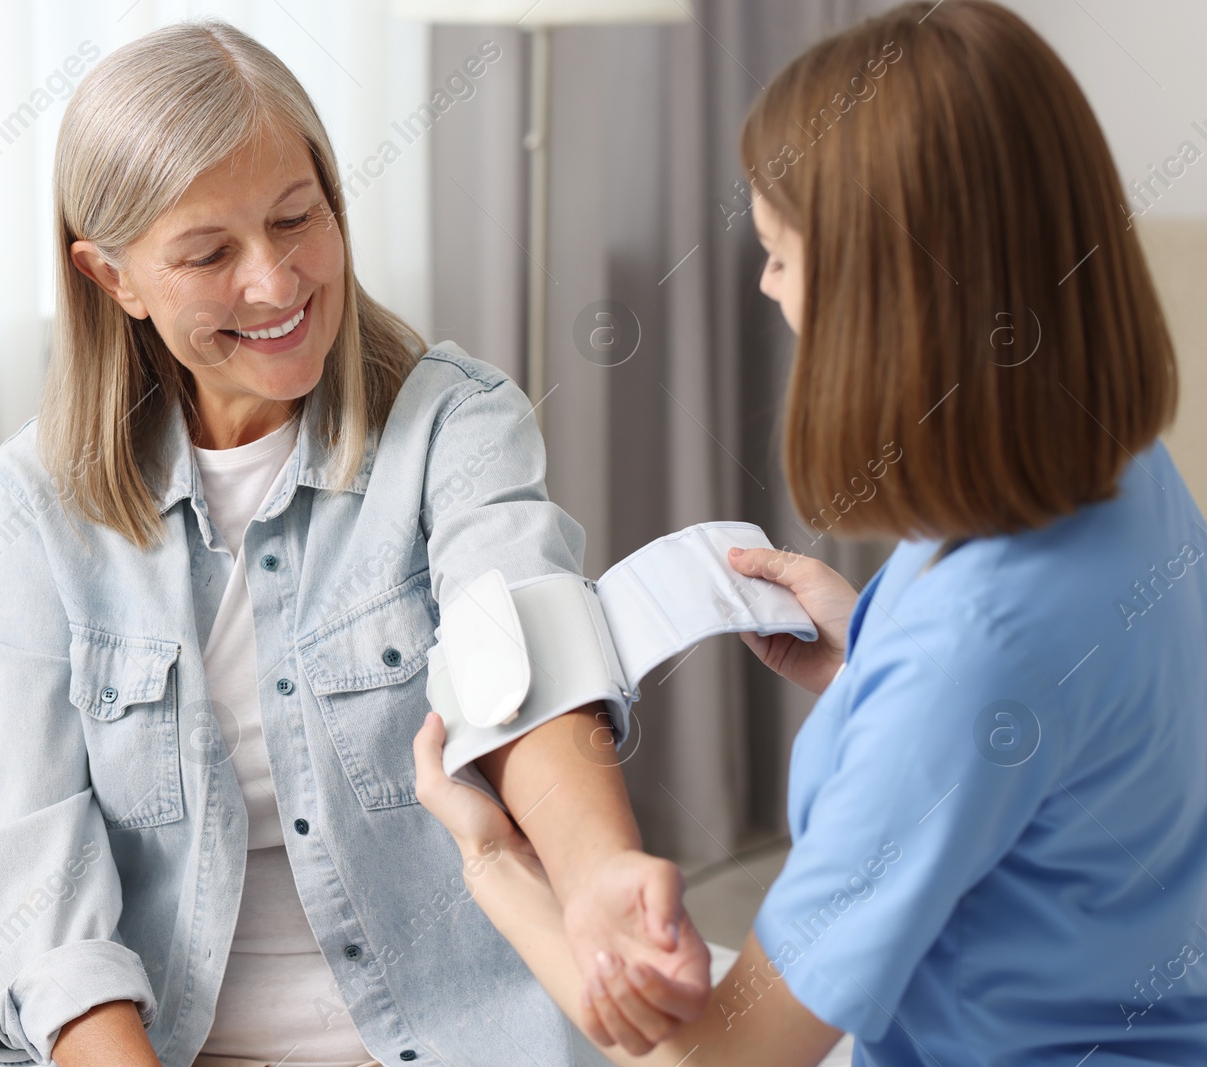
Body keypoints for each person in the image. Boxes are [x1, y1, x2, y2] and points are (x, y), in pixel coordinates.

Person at [412, 2, 1207, 1063]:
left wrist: (494, 864)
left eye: (780, 254)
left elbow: (720, 1058)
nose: (764, 284)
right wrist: (870, 659)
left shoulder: (967, 657)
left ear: (888, 302)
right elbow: (1063, 746)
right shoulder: (1110, 462)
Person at [0, 20, 708, 1067]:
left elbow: (522, 655)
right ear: (112, 277)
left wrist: (601, 866)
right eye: (209, 253)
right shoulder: (39, 500)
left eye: (297, 219)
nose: (275, 281)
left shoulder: (453, 423)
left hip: (455, 1031)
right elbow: (28, 869)